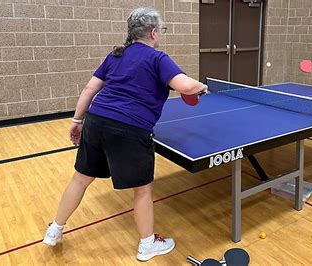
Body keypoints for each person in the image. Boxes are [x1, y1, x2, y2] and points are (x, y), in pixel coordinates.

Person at [42, 7, 207, 262]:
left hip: (96, 121)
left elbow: (90, 88)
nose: (160, 35)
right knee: (142, 190)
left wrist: (77, 121)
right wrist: (202, 86)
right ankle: (147, 244)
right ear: (153, 32)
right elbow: (185, 86)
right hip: (130, 128)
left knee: (80, 179)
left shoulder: (116, 54)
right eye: (161, 30)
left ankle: (55, 228)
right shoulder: (158, 58)